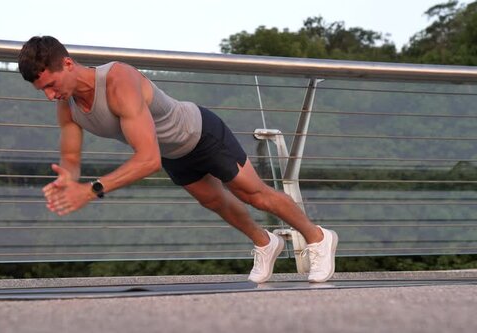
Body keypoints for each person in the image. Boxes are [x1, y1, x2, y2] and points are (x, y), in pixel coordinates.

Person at [18, 36, 338, 283]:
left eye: (51, 85)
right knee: (215, 202)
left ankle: (318, 238)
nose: (50, 95)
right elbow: (71, 156)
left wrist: (91, 190)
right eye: (42, 91)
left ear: (68, 64)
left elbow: (147, 160)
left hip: (200, 132)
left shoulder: (118, 81)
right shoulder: (67, 107)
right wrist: (68, 178)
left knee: (253, 195)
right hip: (173, 153)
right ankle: (265, 243)